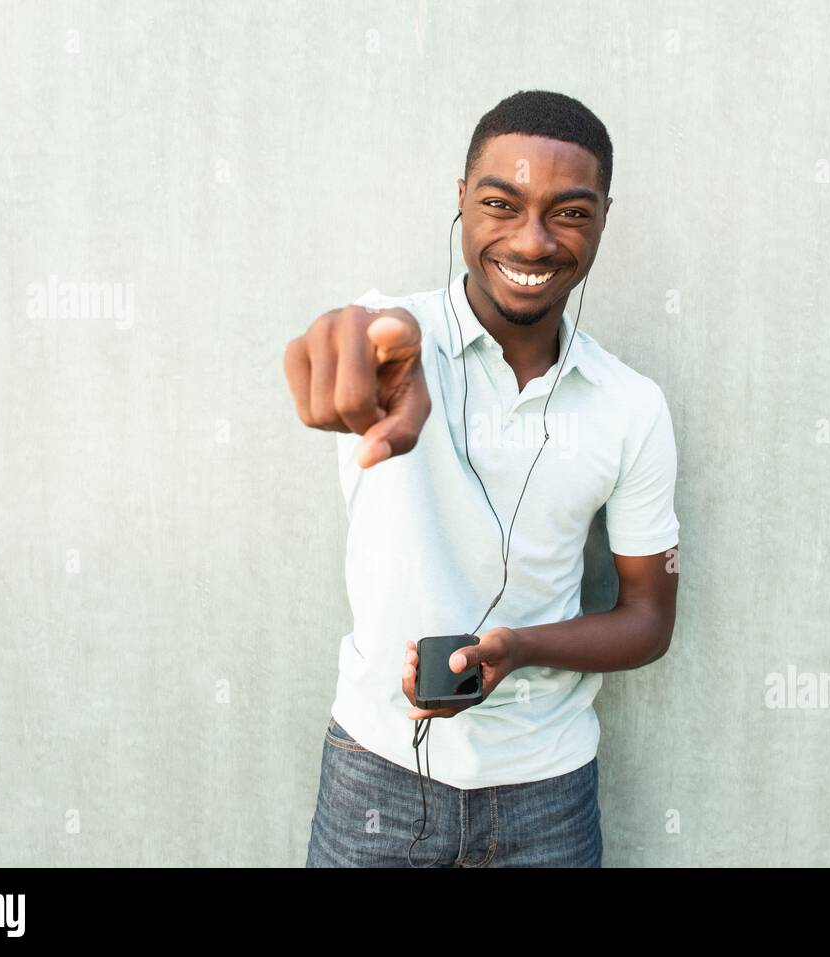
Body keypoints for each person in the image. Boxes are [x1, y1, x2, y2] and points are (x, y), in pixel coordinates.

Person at [284, 90, 680, 867]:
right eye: (501, 203)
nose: (532, 243)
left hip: (547, 792)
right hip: (376, 773)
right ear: (461, 201)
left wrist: (518, 647)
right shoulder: (394, 336)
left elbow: (648, 619)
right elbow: (350, 337)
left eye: (569, 212)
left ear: (603, 218)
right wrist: (356, 348)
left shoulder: (633, 406)